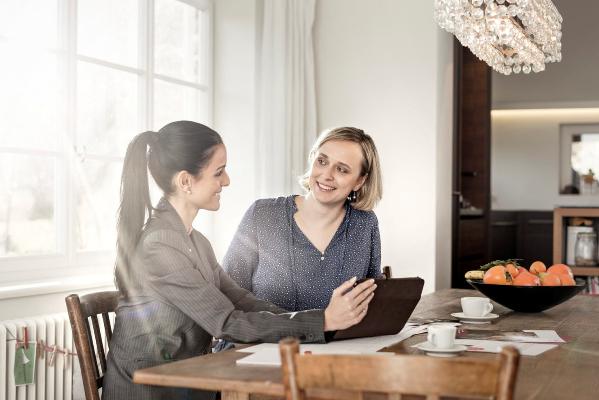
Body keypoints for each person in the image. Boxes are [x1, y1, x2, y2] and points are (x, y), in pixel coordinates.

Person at [102, 121, 376, 400]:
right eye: (218, 172)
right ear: (186, 181)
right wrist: (322, 321)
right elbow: (227, 323)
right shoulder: (161, 245)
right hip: (152, 392)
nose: (227, 181)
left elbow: (241, 300)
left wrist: (317, 323)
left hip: (187, 382)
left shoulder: (195, 241)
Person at [222, 127, 383, 312]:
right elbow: (227, 297)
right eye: (322, 161)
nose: (327, 175)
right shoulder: (262, 214)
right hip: (264, 340)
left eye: (342, 169)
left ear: (360, 181)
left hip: (342, 342)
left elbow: (373, 299)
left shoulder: (365, 224)